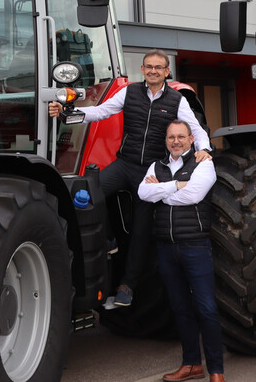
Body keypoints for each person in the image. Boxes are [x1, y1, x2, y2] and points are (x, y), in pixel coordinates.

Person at [48, 49, 210, 306]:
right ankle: (108, 237)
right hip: (125, 164)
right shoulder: (130, 92)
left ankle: (127, 286)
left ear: (167, 72)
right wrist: (68, 114)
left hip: (151, 172)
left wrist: (204, 150)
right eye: (149, 67)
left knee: (141, 232)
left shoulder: (177, 100)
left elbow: (196, 130)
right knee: (89, 193)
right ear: (143, 70)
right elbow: (100, 111)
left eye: (159, 67)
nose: (153, 71)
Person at [138, 120, 225, 382]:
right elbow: (143, 192)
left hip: (195, 246)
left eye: (181, 137)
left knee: (206, 308)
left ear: (190, 139)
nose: (176, 141)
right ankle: (191, 365)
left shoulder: (203, 163)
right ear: (166, 140)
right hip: (166, 247)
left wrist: (160, 191)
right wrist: (176, 186)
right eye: (171, 137)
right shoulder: (157, 166)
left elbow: (194, 196)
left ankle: (216, 370)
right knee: (180, 308)